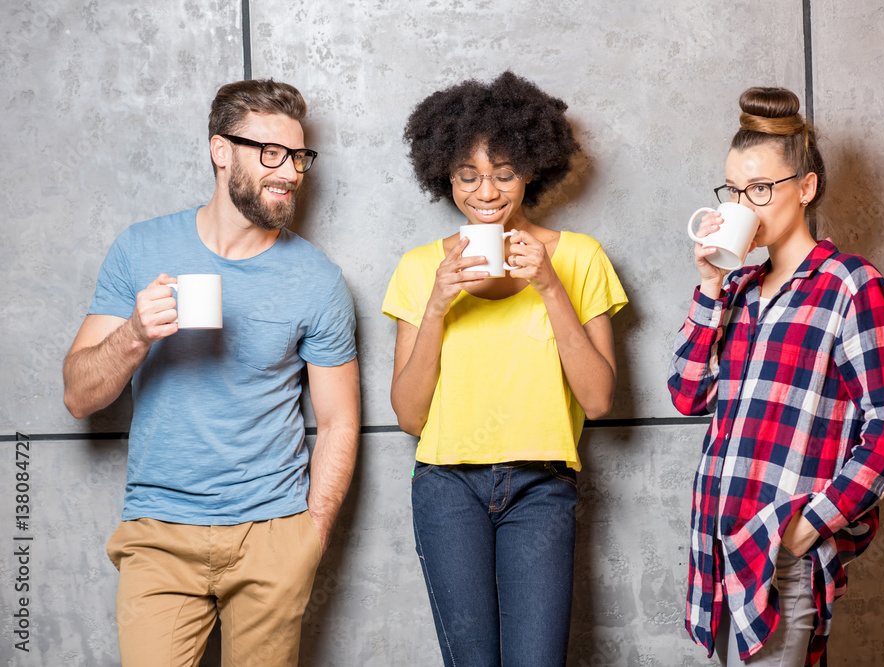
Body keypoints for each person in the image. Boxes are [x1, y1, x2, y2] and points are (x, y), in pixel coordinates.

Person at [62, 79, 359, 667]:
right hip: (160, 532)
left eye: (298, 157)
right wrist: (134, 334)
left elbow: (339, 420)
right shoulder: (140, 248)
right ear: (220, 151)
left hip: (273, 533)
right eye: (270, 153)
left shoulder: (318, 278)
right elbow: (77, 396)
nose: (291, 171)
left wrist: (310, 536)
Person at [382, 71, 628, 666]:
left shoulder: (579, 258)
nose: (485, 192)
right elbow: (411, 417)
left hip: (541, 487)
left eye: (503, 173)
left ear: (531, 171)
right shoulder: (419, 269)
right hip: (445, 487)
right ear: (445, 175)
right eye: (467, 175)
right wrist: (438, 304)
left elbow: (598, 401)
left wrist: (548, 285)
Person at [668, 87, 884, 666]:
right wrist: (708, 286)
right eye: (732, 190)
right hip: (719, 548)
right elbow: (686, 395)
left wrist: (808, 526)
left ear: (804, 188)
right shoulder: (734, 291)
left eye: (759, 189)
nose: (742, 206)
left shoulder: (853, 285)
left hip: (780, 552)